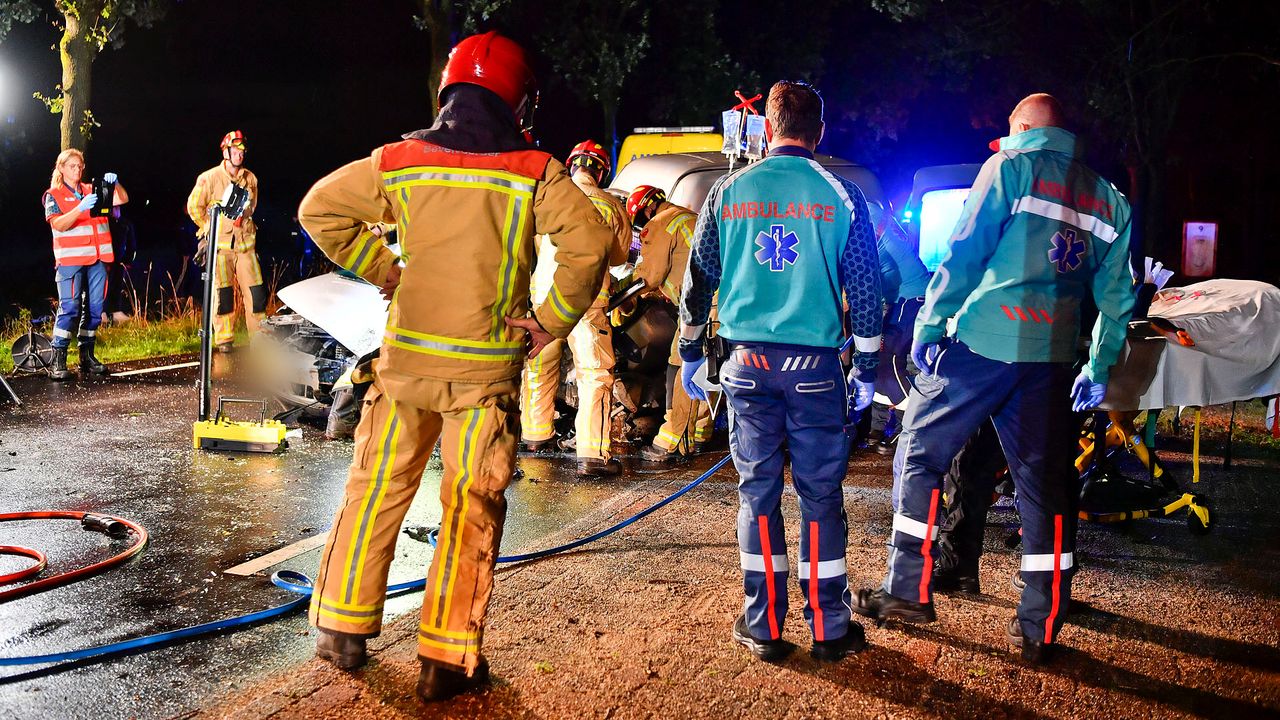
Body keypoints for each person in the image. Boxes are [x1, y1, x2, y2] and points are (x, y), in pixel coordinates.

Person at [299, 32, 610, 702]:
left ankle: (341, 629)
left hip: (406, 362)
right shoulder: (534, 168)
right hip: (485, 373)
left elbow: (319, 210)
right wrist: (551, 320)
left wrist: (387, 269)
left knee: (376, 488)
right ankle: (446, 659)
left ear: (449, 90)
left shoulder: (401, 159)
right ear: (517, 99)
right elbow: (591, 241)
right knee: (471, 504)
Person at [853, 93, 1136, 664]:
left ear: (1025, 126)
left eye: (1010, 126)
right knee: (1043, 490)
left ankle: (907, 589)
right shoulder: (1109, 199)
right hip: (1052, 356)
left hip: (982, 343)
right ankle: (1040, 625)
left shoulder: (1009, 168)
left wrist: (930, 324)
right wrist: (1099, 367)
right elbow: (1118, 299)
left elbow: (964, 254)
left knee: (920, 452)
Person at [678, 80, 884, 663]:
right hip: (816, 368)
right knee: (820, 495)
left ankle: (763, 625)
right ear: (819, 132)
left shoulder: (726, 191)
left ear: (767, 129)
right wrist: (866, 366)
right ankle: (828, 627)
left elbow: (699, 279)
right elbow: (865, 288)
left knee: (757, 495)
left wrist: (691, 352)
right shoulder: (842, 196)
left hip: (745, 365)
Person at [519, 139, 630, 476]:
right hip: (587, 301)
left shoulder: (549, 198)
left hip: (544, 299)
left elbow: (535, 246)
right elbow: (620, 257)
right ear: (601, 171)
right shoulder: (609, 204)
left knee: (540, 367)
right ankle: (592, 456)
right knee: (594, 374)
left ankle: (536, 437)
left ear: (572, 165)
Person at [625, 185, 714, 463]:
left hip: (701, 306)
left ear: (646, 210)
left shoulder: (659, 224)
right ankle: (700, 432)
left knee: (680, 366)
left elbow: (648, 275)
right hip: (721, 302)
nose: (642, 228)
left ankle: (671, 441)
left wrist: (621, 291)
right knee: (706, 366)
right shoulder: (689, 216)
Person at [42, 148, 129, 381]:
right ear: (61, 168)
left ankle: (86, 356)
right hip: (71, 261)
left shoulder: (93, 189)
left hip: (98, 259)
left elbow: (122, 199)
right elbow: (58, 225)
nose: (77, 170)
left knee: (94, 310)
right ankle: (57, 360)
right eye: (72, 166)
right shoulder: (54, 195)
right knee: (69, 309)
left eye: (80, 166)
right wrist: (79, 208)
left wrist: (116, 183)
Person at [185, 130, 265, 353]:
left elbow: (252, 207)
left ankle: (260, 337)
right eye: (236, 150)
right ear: (226, 151)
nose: (240, 154)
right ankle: (224, 339)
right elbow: (194, 207)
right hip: (221, 248)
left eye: (242, 150)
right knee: (223, 295)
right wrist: (208, 227)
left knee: (256, 293)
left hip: (246, 245)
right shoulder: (208, 178)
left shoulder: (250, 178)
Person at [864, 202, 931, 453]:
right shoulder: (874, 214)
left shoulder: (866, 219)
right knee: (885, 359)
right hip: (906, 298)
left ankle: (910, 427)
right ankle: (880, 428)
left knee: (891, 360)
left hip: (909, 297)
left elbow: (871, 271)